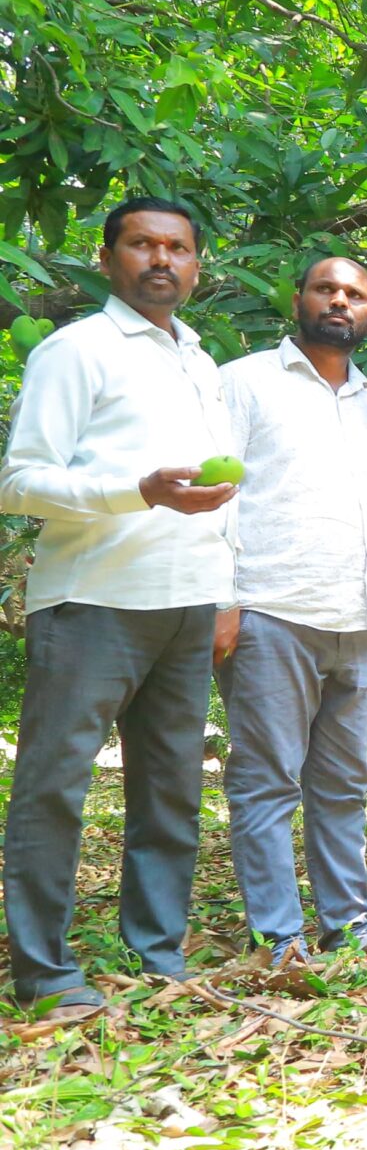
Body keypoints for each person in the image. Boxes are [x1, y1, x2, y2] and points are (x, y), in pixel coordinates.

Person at [0, 198, 237, 1022]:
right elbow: (19, 481)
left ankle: (156, 951)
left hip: (186, 606)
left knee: (170, 791)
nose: (161, 259)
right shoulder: (77, 351)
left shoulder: (201, 362)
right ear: (108, 259)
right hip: (91, 602)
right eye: (142, 244)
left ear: (197, 267)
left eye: (177, 247)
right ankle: (45, 970)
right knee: (55, 786)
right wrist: (136, 492)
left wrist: (226, 593)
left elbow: (222, 494)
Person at [216, 253, 367, 966]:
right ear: (297, 298)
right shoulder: (244, 383)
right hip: (272, 609)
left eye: (355, 295)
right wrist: (224, 603)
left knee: (342, 785)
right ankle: (279, 937)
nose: (340, 302)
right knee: (268, 780)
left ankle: (349, 929)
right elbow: (217, 500)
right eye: (326, 289)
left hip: (359, 617)